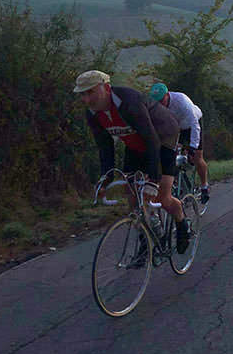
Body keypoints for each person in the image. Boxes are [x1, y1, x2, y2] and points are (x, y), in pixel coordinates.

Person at [74, 70, 194, 252]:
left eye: (91, 92)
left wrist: (153, 179)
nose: (87, 99)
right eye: (82, 94)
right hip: (136, 144)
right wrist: (105, 180)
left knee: (161, 196)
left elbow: (152, 139)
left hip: (162, 138)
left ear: (106, 88)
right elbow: (105, 147)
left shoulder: (129, 102)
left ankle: (182, 223)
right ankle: (147, 241)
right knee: (131, 195)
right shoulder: (93, 113)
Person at [148, 83, 210, 205]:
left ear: (167, 94)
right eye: (156, 101)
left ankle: (204, 187)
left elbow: (195, 126)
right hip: (175, 128)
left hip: (191, 125)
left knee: (197, 157)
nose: (159, 103)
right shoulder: (154, 105)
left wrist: (193, 147)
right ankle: (180, 185)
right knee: (170, 157)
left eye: (161, 100)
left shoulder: (182, 101)